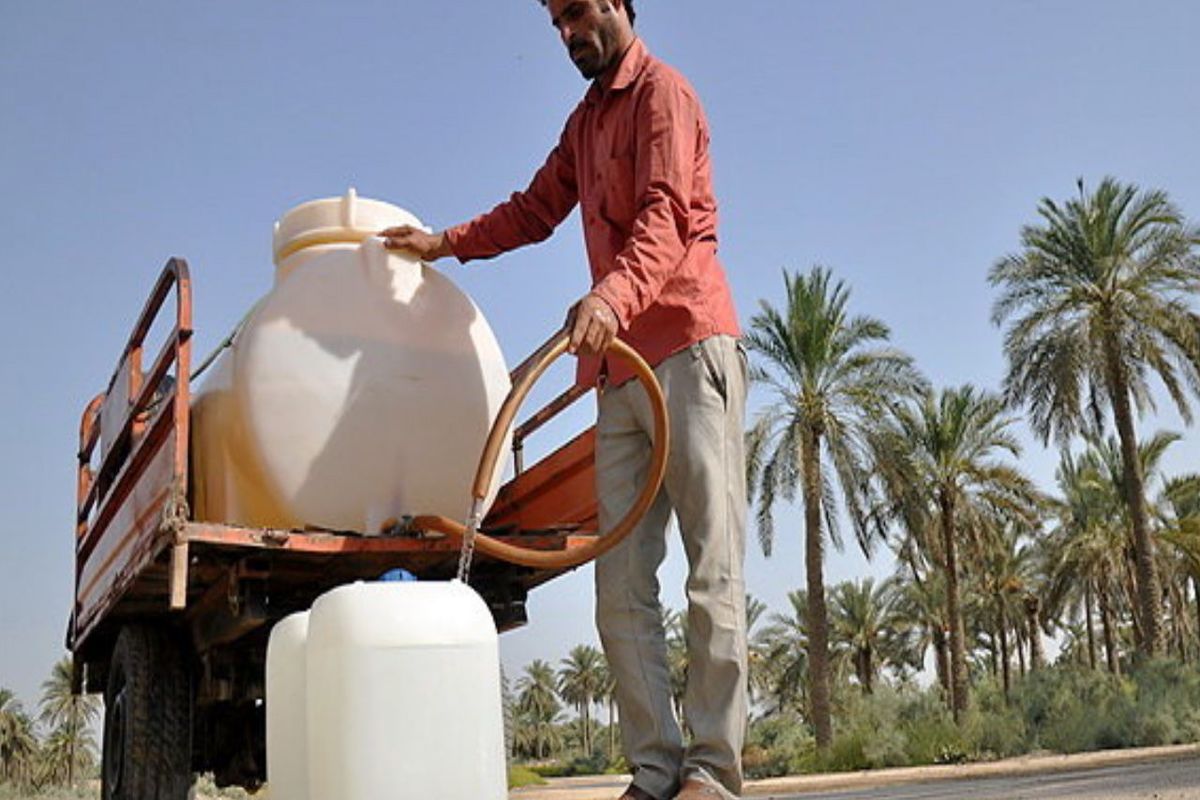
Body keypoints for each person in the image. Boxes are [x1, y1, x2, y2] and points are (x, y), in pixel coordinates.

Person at [381, 2, 747, 798]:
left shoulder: (664, 97)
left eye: (577, 12)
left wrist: (611, 298)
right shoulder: (584, 125)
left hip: (686, 349)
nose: (567, 33)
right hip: (616, 374)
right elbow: (535, 208)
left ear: (618, 6)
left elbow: (665, 218)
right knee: (617, 588)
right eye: (554, 22)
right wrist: (445, 243)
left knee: (710, 570)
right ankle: (654, 771)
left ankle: (712, 773)